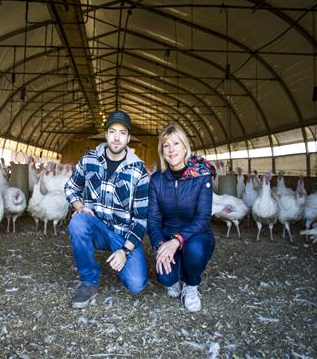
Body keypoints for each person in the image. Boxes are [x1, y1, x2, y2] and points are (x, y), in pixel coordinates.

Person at [64, 110, 150, 309]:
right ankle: (89, 281)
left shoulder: (138, 170)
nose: (116, 137)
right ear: (106, 134)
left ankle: (121, 258)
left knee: (136, 284)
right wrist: (79, 206)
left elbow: (141, 219)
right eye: (112, 131)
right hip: (97, 228)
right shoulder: (89, 159)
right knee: (78, 222)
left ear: (128, 138)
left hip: (123, 236)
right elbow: (70, 187)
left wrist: (124, 251)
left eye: (122, 133)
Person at [147, 124, 216, 312]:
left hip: (196, 234)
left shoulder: (201, 176)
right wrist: (161, 244)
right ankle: (174, 275)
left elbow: (203, 218)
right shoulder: (157, 180)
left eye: (176, 143)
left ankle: (191, 285)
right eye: (166, 145)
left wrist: (177, 241)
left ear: (185, 146)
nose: (171, 150)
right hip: (168, 235)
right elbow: (152, 219)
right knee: (165, 278)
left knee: (194, 251)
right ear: (162, 151)